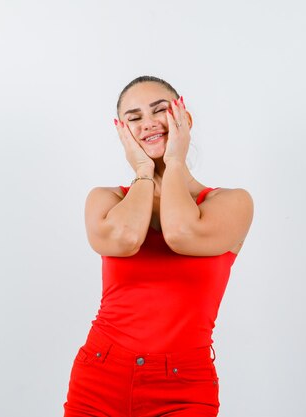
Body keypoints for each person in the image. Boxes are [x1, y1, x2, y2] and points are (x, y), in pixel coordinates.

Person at [63, 75, 254, 417]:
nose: (148, 123)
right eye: (134, 118)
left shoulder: (231, 202)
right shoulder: (106, 200)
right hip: (100, 375)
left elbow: (181, 233)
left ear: (185, 118)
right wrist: (143, 170)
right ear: (123, 132)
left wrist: (176, 163)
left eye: (159, 111)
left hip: (183, 387)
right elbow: (125, 238)